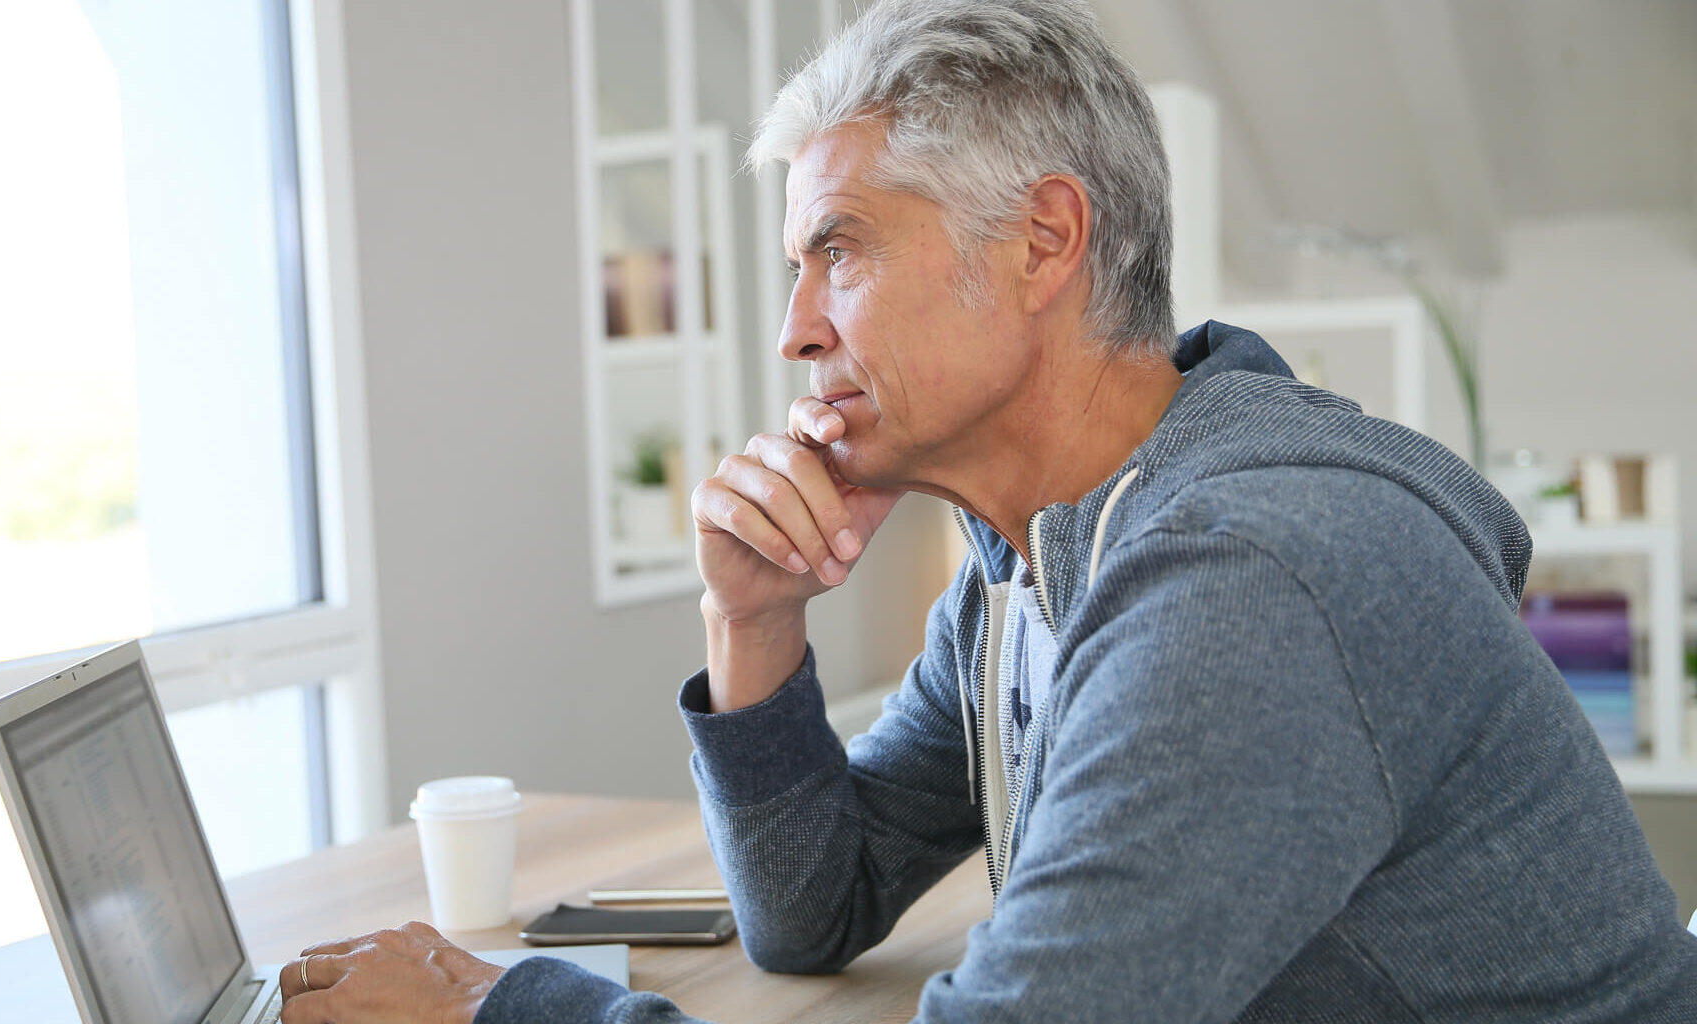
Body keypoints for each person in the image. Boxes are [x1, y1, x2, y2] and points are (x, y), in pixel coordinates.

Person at [277, 1, 1697, 1021]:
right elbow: (813, 914)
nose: (794, 333)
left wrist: (503, 1011)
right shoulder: (1028, 562)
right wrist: (754, 620)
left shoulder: (1249, 585)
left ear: (1044, 244)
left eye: (838, 250)